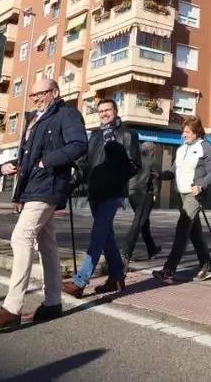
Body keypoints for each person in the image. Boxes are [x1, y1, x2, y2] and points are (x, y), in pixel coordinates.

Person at [0, 78, 87, 329]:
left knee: (21, 237)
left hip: (49, 186)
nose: (36, 98)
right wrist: (13, 165)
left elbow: (79, 144)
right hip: (33, 186)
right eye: (33, 94)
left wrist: (46, 162)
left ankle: (12, 307)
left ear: (55, 92)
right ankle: (52, 304)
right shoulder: (34, 120)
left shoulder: (67, 114)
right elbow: (30, 155)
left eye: (41, 93)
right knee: (46, 244)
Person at [63, 98, 141, 298]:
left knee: (97, 234)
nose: (104, 113)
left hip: (113, 193)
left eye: (107, 110)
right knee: (106, 236)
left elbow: (134, 166)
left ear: (116, 111)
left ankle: (80, 282)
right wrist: (71, 182)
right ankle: (116, 276)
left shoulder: (128, 134)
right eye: (101, 111)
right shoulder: (95, 136)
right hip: (95, 192)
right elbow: (85, 163)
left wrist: (116, 177)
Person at [152, 115, 211, 284]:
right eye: (183, 131)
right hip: (181, 195)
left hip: (194, 195)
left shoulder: (205, 146)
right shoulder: (182, 149)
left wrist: (201, 185)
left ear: (196, 132)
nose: (184, 134)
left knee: (182, 230)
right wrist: (160, 175)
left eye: (187, 132)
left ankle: (168, 270)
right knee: (194, 233)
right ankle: (207, 266)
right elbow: (174, 171)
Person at [121, 141, 162, 263]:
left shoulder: (134, 160)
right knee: (139, 222)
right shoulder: (152, 161)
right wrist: (155, 193)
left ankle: (152, 250)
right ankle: (126, 252)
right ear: (151, 151)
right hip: (145, 194)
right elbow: (155, 179)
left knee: (144, 222)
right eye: (154, 151)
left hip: (132, 193)